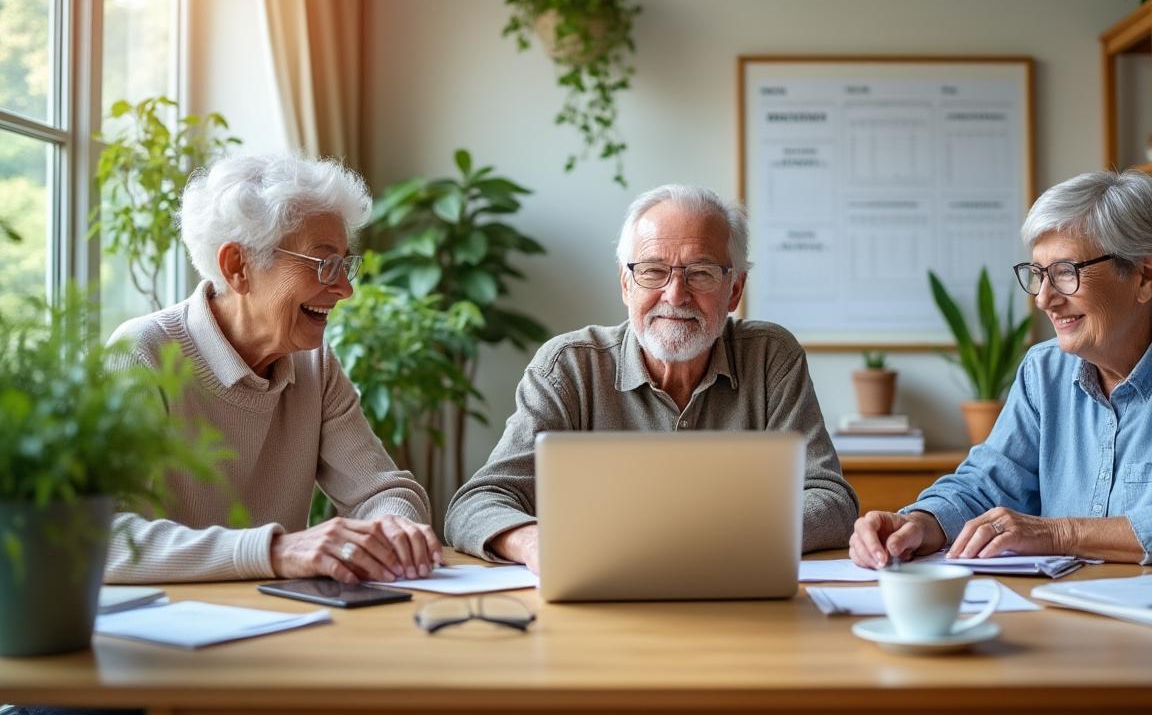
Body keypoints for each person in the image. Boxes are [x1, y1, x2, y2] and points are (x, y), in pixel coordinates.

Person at [850, 169, 1152, 570]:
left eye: (1064, 272)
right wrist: (919, 523)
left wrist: (1059, 534)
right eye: (1038, 274)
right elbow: (986, 484)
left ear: (1145, 276)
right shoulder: (1044, 371)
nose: (1044, 298)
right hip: (1059, 616)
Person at [445, 184, 858, 572]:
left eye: (700, 273)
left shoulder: (771, 358)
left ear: (734, 289)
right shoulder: (568, 368)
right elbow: (477, 503)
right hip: (600, 597)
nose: (675, 295)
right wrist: (538, 544)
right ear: (626, 285)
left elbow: (832, 500)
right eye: (653, 271)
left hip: (738, 593)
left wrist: (721, 537)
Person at [106, 153, 439, 585]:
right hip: (169, 620)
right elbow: (101, 537)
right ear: (238, 267)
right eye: (324, 264)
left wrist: (392, 529)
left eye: (344, 264)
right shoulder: (143, 354)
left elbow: (382, 490)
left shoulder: (314, 365)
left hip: (284, 615)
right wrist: (274, 551)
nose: (345, 289)